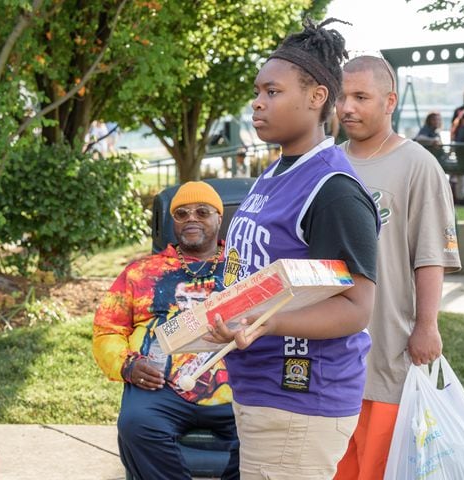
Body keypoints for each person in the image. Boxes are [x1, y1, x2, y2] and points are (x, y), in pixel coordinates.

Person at [204, 18, 380, 479]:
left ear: (316, 96)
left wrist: (266, 323)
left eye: (272, 92)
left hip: (299, 399)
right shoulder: (275, 173)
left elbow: (356, 307)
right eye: (258, 91)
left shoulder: (333, 189)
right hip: (258, 389)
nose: (257, 103)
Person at [333, 55, 461, 480]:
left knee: (378, 464)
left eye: (360, 97)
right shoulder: (328, 163)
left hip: (387, 349)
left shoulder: (418, 165)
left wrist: (427, 325)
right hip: (328, 351)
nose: (347, 106)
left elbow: (430, 256)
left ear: (390, 101)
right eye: (342, 96)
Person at [93, 181, 239, 480]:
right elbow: (107, 329)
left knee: (265, 430)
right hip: (160, 385)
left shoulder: (243, 269)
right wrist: (129, 366)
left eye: (202, 212)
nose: (191, 219)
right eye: (181, 214)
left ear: (219, 219)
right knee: (136, 423)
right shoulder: (141, 272)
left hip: (235, 384)